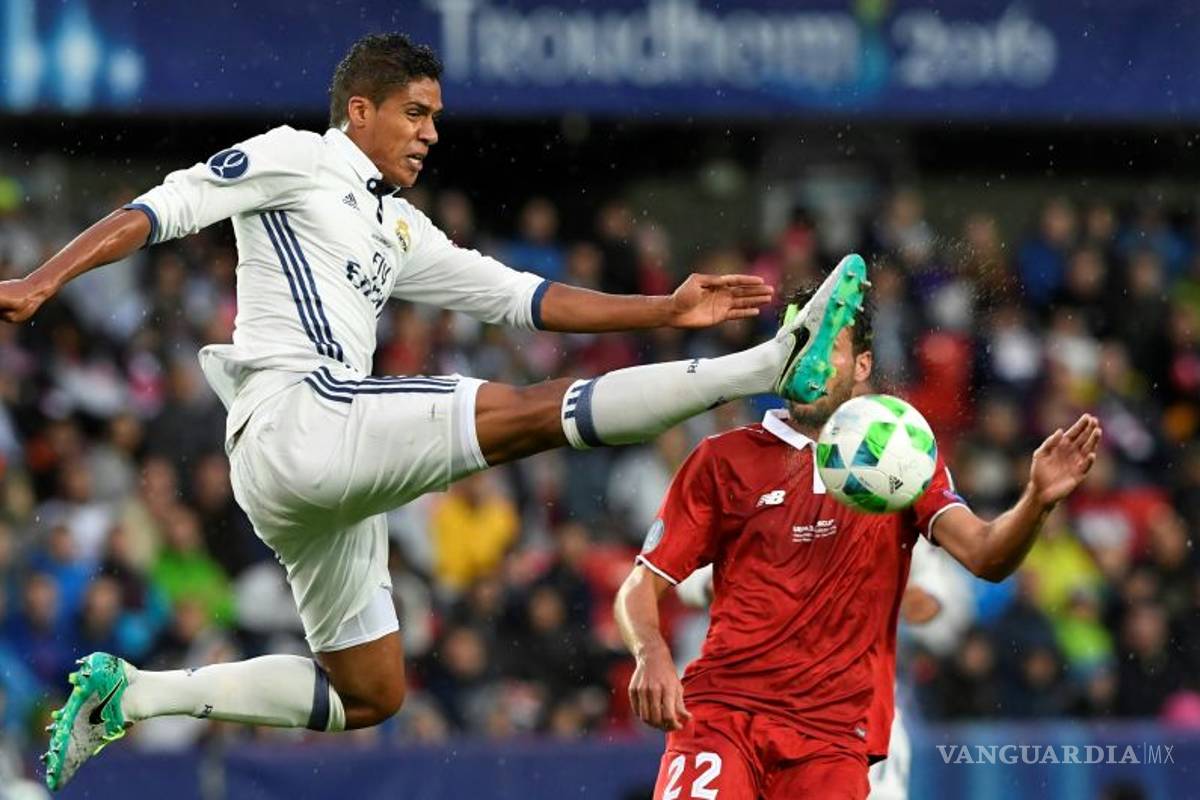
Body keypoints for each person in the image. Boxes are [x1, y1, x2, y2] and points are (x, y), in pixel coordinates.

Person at [0, 34, 870, 791]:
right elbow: (161, 209)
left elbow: (517, 297)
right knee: (534, 414)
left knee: (370, 694)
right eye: (416, 114)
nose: (430, 135)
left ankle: (134, 693)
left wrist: (662, 309)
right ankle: (767, 365)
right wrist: (43, 280)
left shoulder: (397, 229)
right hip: (296, 412)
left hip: (314, 472)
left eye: (437, 118)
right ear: (360, 108)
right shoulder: (297, 156)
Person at [614, 290, 1102, 800]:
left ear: (863, 364)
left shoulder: (901, 458)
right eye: (798, 346)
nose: (812, 361)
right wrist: (650, 652)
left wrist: (1037, 500)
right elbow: (639, 585)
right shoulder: (723, 459)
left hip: (833, 740)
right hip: (722, 716)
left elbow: (985, 554)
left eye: (830, 348)